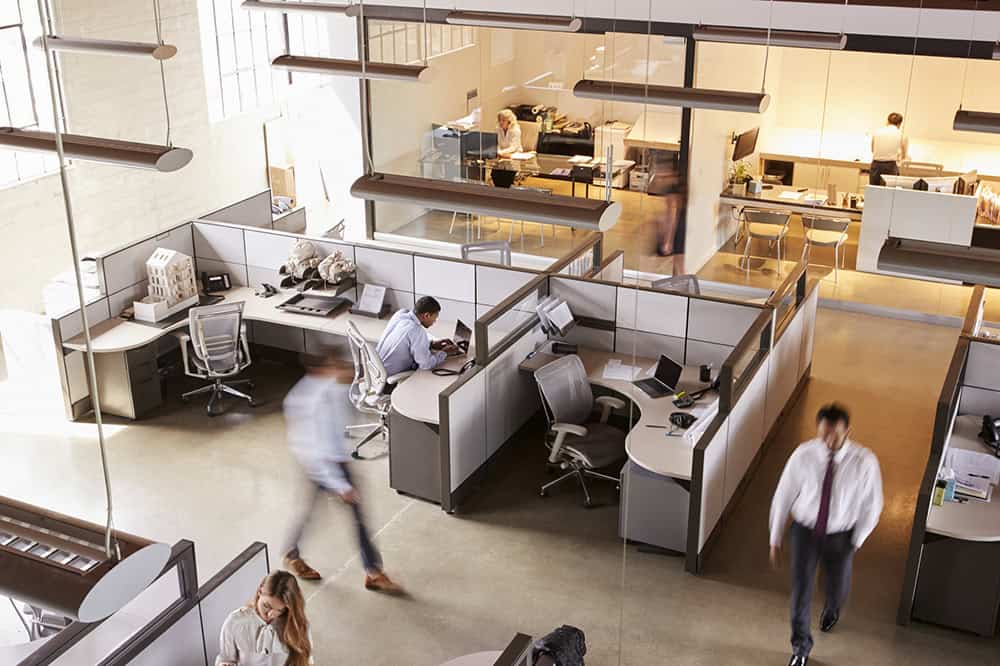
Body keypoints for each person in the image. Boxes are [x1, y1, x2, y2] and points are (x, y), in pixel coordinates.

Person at [769, 403, 883, 666]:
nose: (828, 441)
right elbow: (783, 495)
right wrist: (775, 537)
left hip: (841, 536)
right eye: (823, 435)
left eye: (835, 435)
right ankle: (800, 648)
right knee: (801, 590)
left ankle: (832, 609)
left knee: (837, 588)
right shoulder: (803, 455)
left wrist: (857, 540)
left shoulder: (864, 462)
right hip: (805, 531)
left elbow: (873, 504)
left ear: (847, 431)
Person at [281, 352, 403, 593]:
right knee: (356, 516)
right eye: (339, 367)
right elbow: (315, 450)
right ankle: (373, 571)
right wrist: (341, 486)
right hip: (321, 465)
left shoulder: (331, 387)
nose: (346, 371)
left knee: (312, 511)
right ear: (321, 368)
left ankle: (292, 552)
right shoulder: (309, 402)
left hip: (334, 461)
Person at [216, 570, 312, 666]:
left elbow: (306, 661)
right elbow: (226, 658)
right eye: (266, 606)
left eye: (280, 610)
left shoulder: (296, 624)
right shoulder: (235, 622)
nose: (270, 614)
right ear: (259, 591)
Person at [375, 296, 453, 379]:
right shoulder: (416, 330)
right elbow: (426, 364)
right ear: (426, 315)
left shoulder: (400, 315)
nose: (434, 322)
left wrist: (431, 344)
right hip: (387, 377)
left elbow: (408, 342)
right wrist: (444, 353)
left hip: (376, 370)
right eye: (434, 318)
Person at [869, 112, 909, 186]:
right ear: (899, 124)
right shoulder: (902, 135)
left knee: (874, 191)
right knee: (889, 193)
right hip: (890, 166)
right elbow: (904, 157)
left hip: (875, 165)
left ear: (887, 121)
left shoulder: (877, 132)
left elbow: (872, 150)